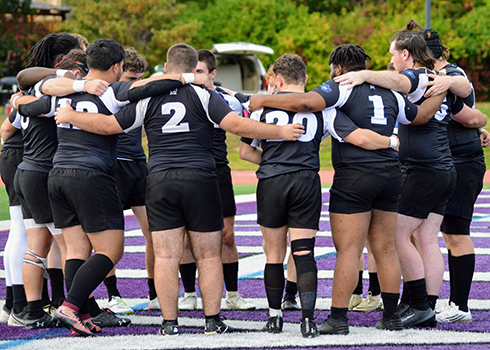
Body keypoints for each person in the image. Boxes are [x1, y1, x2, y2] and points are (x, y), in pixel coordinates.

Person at [51, 43, 305, 336]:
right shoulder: (205, 94)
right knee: (209, 255)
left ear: (168, 70)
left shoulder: (150, 96)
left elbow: (109, 126)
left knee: (166, 256)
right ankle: (212, 321)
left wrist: (71, 117)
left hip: (160, 180)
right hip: (199, 177)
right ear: (194, 66)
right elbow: (236, 125)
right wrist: (280, 132)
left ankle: (169, 323)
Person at [248, 43, 457, 333]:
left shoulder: (341, 86)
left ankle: (338, 318)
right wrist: (441, 91)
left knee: (349, 249)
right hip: (390, 173)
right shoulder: (391, 91)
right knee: (385, 248)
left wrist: (263, 101)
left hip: (355, 174)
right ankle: (392, 315)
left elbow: (306, 103)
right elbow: (419, 116)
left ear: (340, 68)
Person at [15, 39, 196, 336]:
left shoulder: (66, 89)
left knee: (77, 249)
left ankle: (81, 313)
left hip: (57, 174)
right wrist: (189, 77)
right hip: (91, 175)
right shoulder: (112, 89)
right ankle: (71, 305)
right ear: (117, 67)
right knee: (111, 250)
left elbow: (32, 94)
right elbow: (149, 86)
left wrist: (21, 100)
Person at [331, 21, 487, 328]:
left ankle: (417, 302)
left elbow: (400, 82)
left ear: (406, 54)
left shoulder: (416, 76)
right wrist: (473, 113)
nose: (390, 60)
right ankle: (427, 306)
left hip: (423, 168)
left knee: (397, 234)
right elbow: (467, 102)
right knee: (426, 237)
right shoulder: (440, 78)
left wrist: (362, 74)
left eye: (392, 54)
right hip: (444, 168)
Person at [178, 49, 255, 312]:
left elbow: (252, 107)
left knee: (227, 236)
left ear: (212, 73)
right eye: (192, 71)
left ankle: (232, 294)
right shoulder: (182, 97)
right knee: (187, 238)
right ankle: (189, 293)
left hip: (218, 170)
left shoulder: (226, 100)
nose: (195, 76)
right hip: (189, 170)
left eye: (200, 71)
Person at [423, 28, 488, 323]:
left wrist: (477, 124)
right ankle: (445, 300)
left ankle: (460, 305)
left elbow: (461, 86)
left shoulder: (449, 75)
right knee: (444, 232)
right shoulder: (443, 73)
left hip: (461, 161)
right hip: (452, 159)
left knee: (456, 232)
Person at [103, 48, 156, 315]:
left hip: (138, 164)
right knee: (111, 238)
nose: (134, 84)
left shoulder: (138, 92)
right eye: (129, 78)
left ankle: (155, 293)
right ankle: (112, 295)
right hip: (115, 165)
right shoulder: (108, 93)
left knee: (154, 233)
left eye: (139, 78)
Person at [0, 114, 27, 325]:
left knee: (19, 230)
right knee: (25, 231)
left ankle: (11, 303)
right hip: (25, 155)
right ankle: (19, 305)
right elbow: (5, 130)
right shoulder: (40, 90)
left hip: (15, 154)